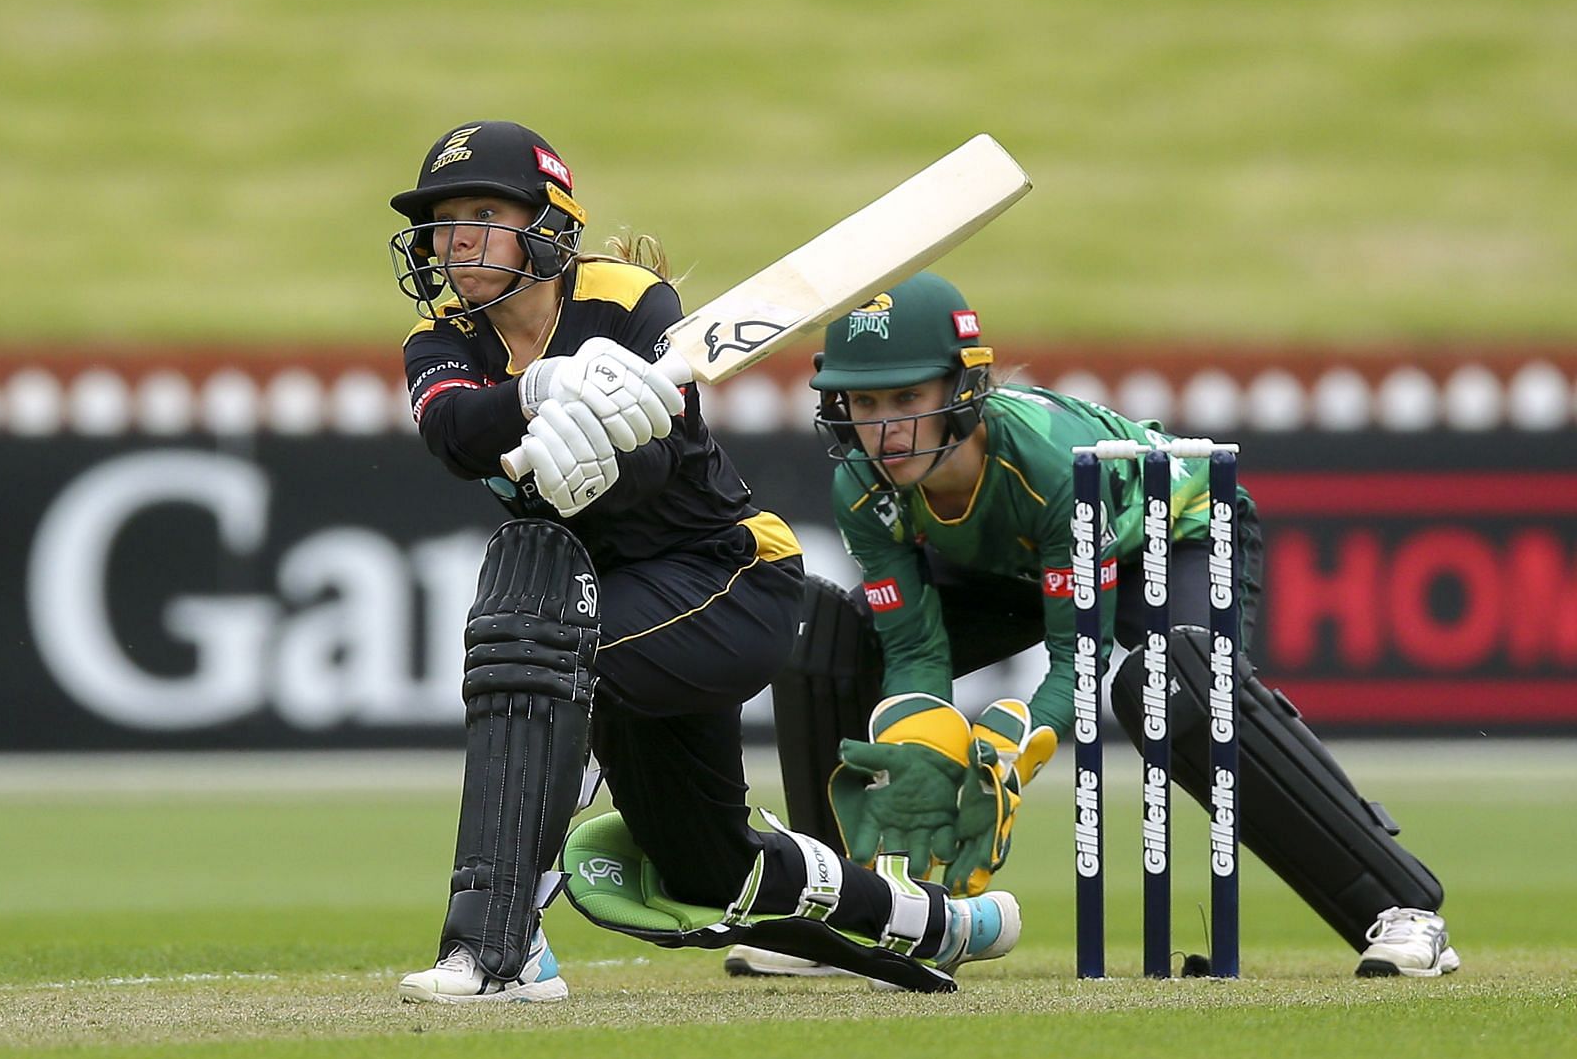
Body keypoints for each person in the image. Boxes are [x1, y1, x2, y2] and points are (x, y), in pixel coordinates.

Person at [387, 122, 1020, 1003]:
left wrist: (601, 440)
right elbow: (452, 431)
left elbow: (657, 469)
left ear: (550, 225)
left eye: (484, 213)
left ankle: (500, 945)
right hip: (615, 608)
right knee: (708, 868)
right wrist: (538, 392)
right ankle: (938, 923)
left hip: (729, 581)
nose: (458, 240)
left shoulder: (631, 303)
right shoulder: (442, 340)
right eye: (444, 221)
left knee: (535, 652)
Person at [738, 271, 1455, 980]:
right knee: (831, 640)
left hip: (1175, 534)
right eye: (864, 401)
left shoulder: (1046, 464)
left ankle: (1401, 909)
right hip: (1013, 567)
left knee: (1173, 684)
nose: (885, 429)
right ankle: (848, 915)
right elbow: (914, 648)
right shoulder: (860, 481)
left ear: (962, 389)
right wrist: (918, 743)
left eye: (906, 398)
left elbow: (1074, 660)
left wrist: (1010, 752)